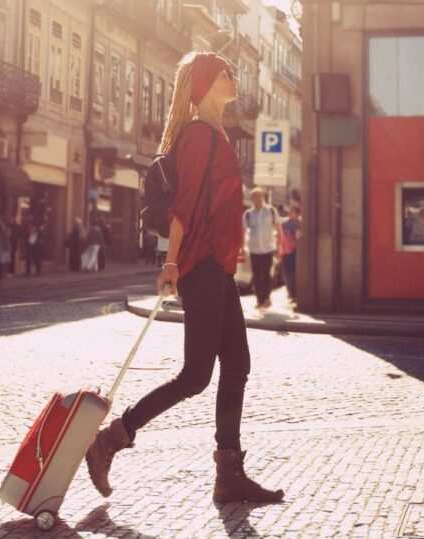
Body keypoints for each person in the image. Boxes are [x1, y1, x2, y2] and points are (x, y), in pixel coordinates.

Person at [84, 51, 284, 505]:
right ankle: (109, 441)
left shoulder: (217, 134)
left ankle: (229, 473)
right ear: (208, 82)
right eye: (227, 73)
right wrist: (172, 263)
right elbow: (185, 206)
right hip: (202, 266)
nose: (234, 78)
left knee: (236, 366)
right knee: (196, 375)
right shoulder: (198, 135)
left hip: (219, 267)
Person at [242, 187, 280, 309]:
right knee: (257, 276)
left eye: (259, 196)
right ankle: (260, 300)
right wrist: (243, 247)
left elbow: (279, 231)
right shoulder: (248, 214)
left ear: (263, 197)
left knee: (267, 274)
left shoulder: (271, 211)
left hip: (268, 248)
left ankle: (267, 298)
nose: (257, 199)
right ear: (252, 199)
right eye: (255, 197)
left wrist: (278, 247)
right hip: (254, 249)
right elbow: (242, 232)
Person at [278, 204, 302, 303]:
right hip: (285, 250)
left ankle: (293, 293)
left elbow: (299, 237)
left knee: (292, 273)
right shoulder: (285, 223)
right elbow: (281, 237)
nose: (290, 213)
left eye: (292, 211)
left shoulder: (299, 224)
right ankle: (290, 292)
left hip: (294, 250)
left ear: (297, 213)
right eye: (289, 211)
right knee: (285, 272)